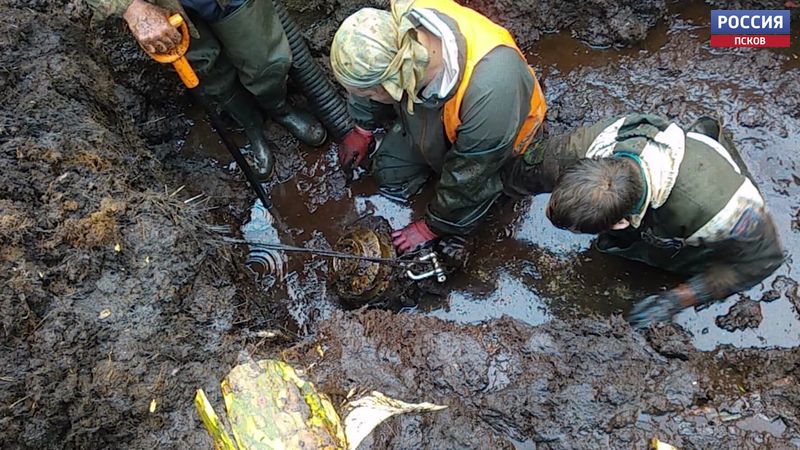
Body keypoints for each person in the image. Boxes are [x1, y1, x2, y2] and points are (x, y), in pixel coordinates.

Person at [506, 113, 784, 329]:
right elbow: (525, 171)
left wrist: (679, 299)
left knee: (686, 258)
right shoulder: (586, 146)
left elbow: (763, 260)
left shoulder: (726, 212)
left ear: (621, 223)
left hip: (713, 192)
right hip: (650, 179)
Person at [330, 0, 547, 254]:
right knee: (388, 174)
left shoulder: (493, 87)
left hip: (496, 143)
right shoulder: (400, 27)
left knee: (474, 192)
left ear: (393, 85)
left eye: (368, 94)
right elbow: (369, 75)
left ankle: (458, 226)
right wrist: (362, 128)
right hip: (432, 112)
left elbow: (467, 177)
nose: (364, 96)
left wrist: (431, 226)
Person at [86, 0, 327, 180]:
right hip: (163, 8)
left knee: (265, 58)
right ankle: (251, 124)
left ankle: (280, 109)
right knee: (208, 71)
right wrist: (131, 6)